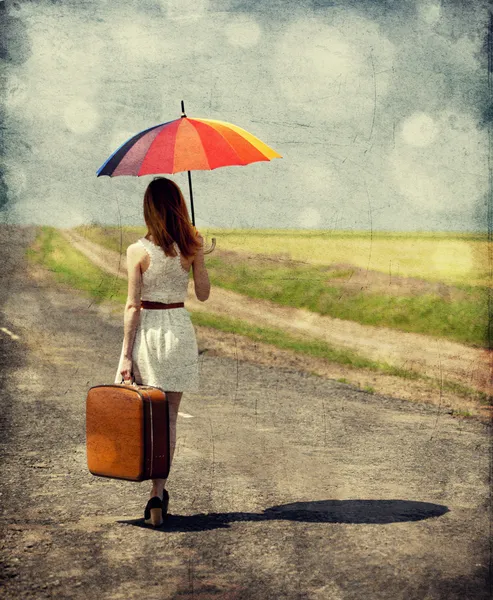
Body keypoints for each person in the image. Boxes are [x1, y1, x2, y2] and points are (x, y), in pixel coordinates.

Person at [115, 176, 210, 527]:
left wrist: (126, 355)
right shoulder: (189, 247)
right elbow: (203, 294)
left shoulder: (137, 251)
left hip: (150, 333)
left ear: (148, 209)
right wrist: (199, 253)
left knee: (144, 416)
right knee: (169, 419)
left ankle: (146, 486)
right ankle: (158, 492)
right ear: (178, 207)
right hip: (180, 330)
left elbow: (132, 307)